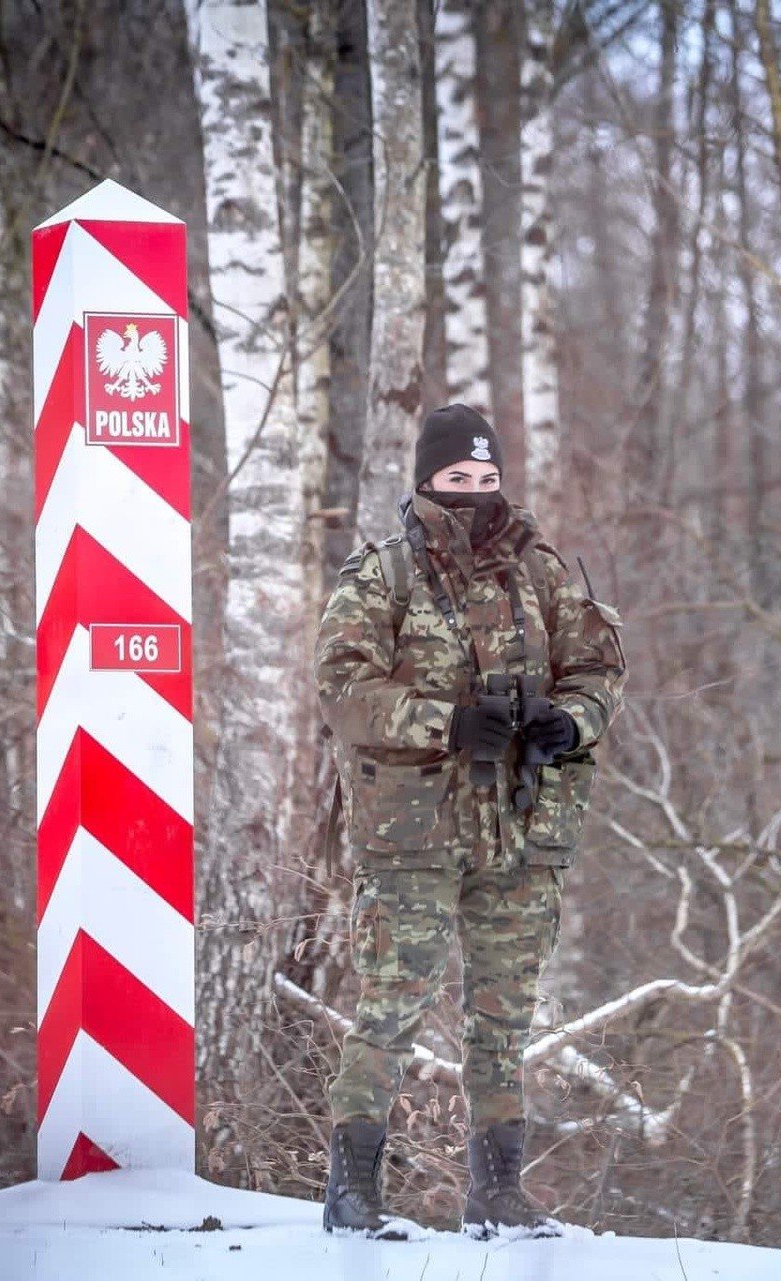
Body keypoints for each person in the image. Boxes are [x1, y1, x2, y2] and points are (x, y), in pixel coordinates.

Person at [313, 403, 627, 1239]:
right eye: (458, 480)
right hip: (414, 831)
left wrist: (573, 719)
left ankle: (498, 1193)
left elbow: (598, 665)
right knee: (392, 1005)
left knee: (505, 1015)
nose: (475, 496)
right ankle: (352, 1192)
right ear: (425, 479)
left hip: (522, 826)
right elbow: (344, 693)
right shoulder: (381, 575)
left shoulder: (539, 572)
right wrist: (445, 722)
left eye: (487, 480)